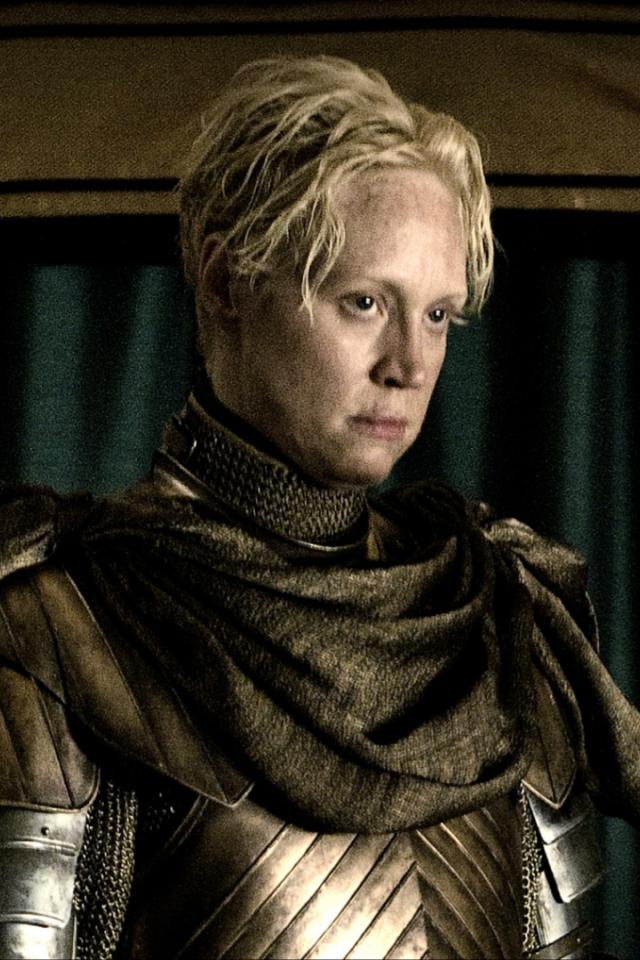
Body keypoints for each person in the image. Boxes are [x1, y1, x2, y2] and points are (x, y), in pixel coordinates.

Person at [0, 54, 638, 960]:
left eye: (437, 316)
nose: (408, 366)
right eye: (365, 301)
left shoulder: (494, 621)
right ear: (226, 284)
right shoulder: (59, 636)